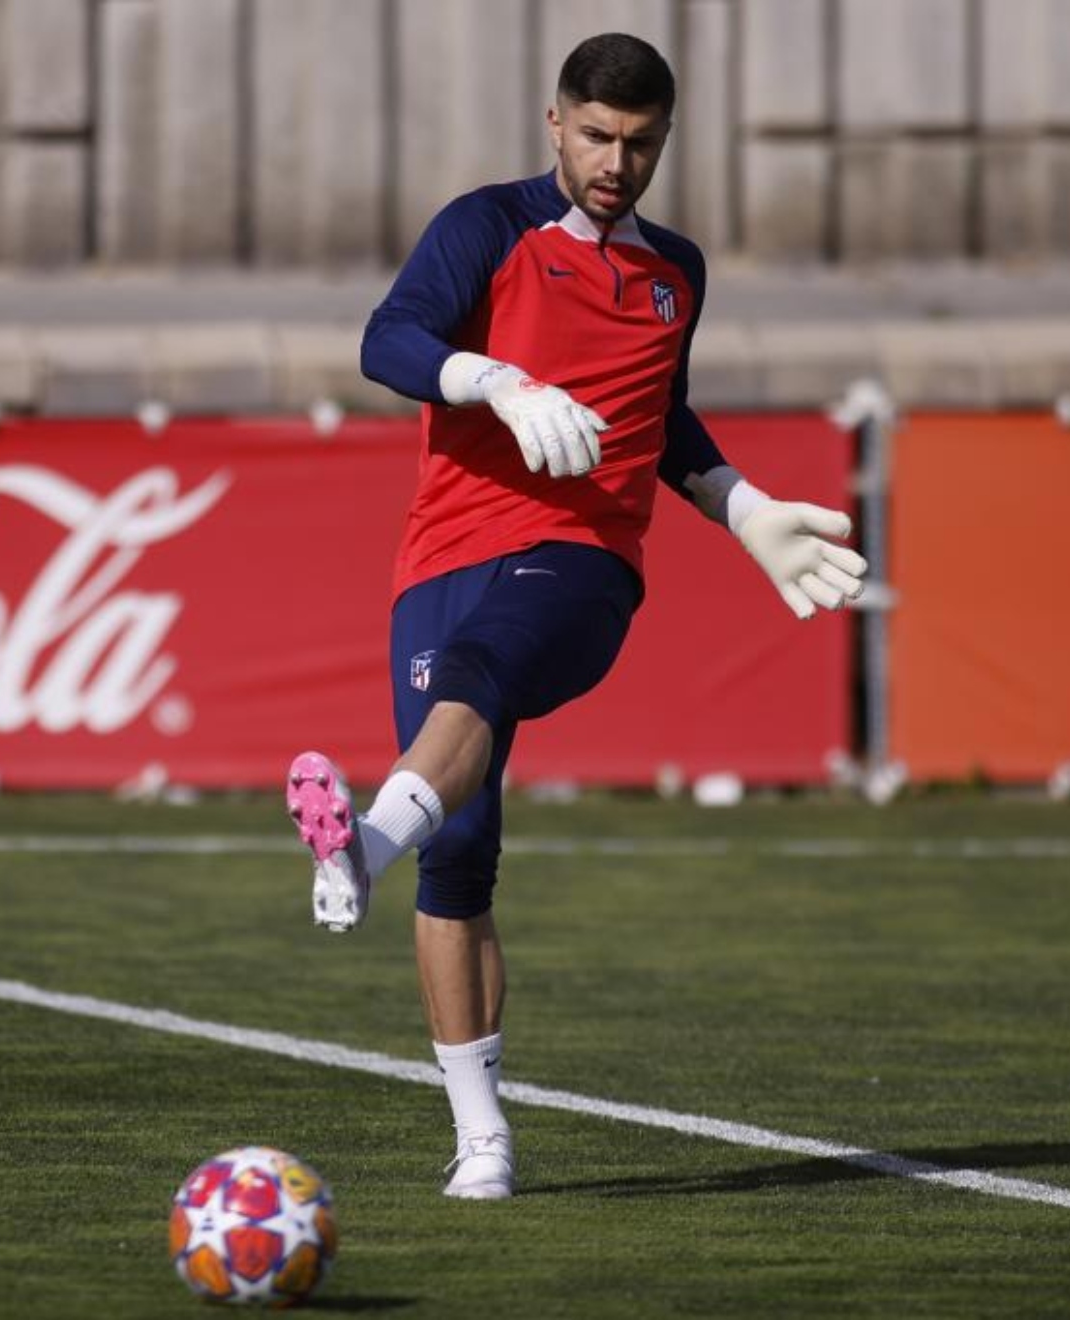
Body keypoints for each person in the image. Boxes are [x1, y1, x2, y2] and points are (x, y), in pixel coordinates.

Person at [284, 32, 867, 1201]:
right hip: (441, 558)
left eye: (640, 141)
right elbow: (387, 339)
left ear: (664, 137)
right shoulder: (486, 227)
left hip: (583, 559)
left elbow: (670, 418)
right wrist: (492, 378)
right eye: (597, 135)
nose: (617, 161)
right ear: (556, 124)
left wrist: (742, 508)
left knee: (487, 674)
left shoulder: (677, 272)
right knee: (462, 855)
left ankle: (364, 834)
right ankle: (483, 1140)